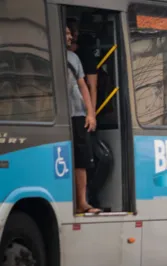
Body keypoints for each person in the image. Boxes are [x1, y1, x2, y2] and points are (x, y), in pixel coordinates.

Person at [65, 25, 101, 214]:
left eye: (70, 33)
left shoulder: (74, 58)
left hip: (77, 115)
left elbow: (83, 86)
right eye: (66, 34)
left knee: (82, 162)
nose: (70, 37)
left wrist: (90, 113)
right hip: (60, 117)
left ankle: (82, 203)